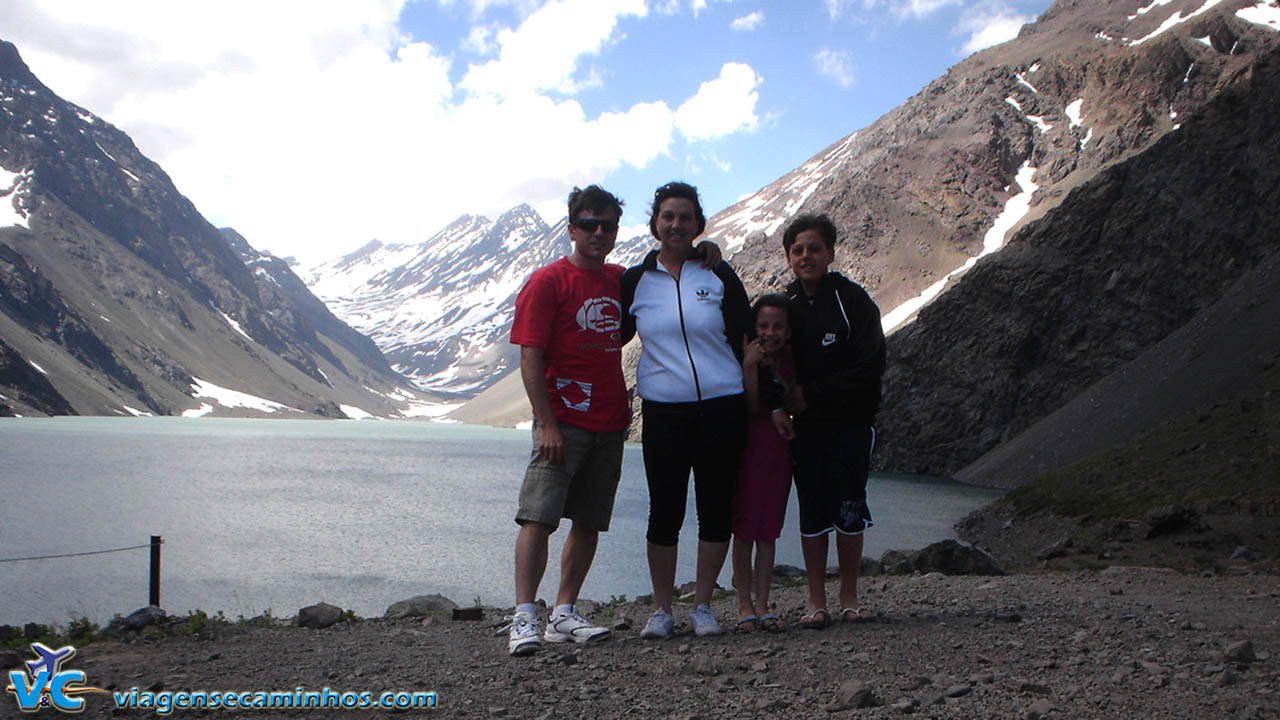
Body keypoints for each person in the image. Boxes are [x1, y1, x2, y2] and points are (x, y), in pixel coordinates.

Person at [621, 181, 752, 639]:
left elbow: (746, 337)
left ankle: (702, 606)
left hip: (722, 407)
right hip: (664, 411)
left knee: (715, 509)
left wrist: (765, 399)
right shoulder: (636, 282)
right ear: (655, 223)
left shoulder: (719, 273)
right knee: (665, 511)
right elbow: (605, 336)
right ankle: (661, 608)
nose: (676, 224)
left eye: (685, 217)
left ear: (699, 223)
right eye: (667, 216)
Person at [504, 185, 630, 656]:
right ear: (572, 228)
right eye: (589, 224)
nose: (599, 233)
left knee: (589, 519)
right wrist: (547, 423)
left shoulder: (621, 280)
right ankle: (524, 616)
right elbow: (530, 356)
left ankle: (563, 613)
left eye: (608, 226)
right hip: (564, 422)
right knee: (538, 517)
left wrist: (705, 252)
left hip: (610, 422)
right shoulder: (548, 281)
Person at [780, 213, 886, 629]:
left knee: (848, 506)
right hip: (806, 429)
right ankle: (815, 600)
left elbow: (870, 365)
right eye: (797, 250)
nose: (806, 256)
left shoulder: (853, 301)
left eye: (814, 248)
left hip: (851, 424)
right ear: (789, 257)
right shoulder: (784, 308)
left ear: (830, 253)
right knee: (812, 509)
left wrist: (810, 394)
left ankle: (849, 596)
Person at [731, 294, 796, 634]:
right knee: (744, 531)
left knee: (768, 531)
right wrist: (750, 365)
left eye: (778, 326)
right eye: (764, 325)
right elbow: (752, 405)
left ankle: (762, 604)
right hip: (748, 449)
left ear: (788, 331)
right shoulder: (745, 356)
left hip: (777, 454)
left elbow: (791, 399)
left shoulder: (789, 359)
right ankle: (743, 604)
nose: (770, 332)